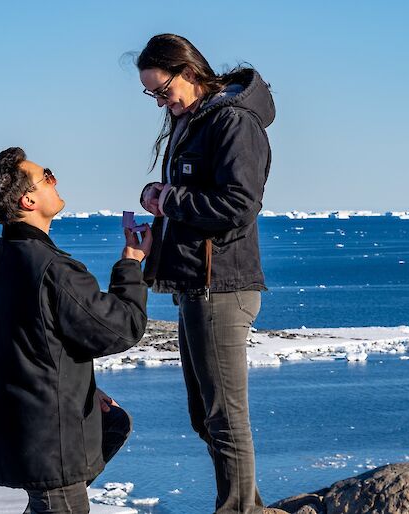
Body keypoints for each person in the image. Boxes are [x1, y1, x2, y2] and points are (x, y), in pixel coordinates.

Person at [0, 147, 152, 514]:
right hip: (52, 446)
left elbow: (20, 351)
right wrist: (131, 264)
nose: (55, 179)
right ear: (28, 199)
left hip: (13, 434)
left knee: (114, 423)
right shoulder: (53, 269)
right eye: (46, 175)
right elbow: (122, 328)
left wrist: (81, 390)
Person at [135, 34, 275, 514]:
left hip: (223, 285)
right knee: (206, 415)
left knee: (224, 416)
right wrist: (161, 193)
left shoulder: (232, 122)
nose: (160, 100)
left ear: (188, 72)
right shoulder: (194, 121)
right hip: (196, 283)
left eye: (162, 89)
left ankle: (238, 510)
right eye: (152, 94)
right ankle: (245, 503)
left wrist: (169, 199)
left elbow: (239, 205)